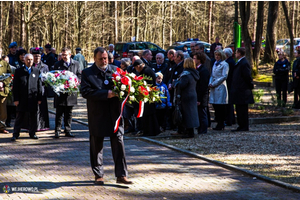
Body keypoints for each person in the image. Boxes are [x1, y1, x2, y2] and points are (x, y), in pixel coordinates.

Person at [80, 47, 133, 185]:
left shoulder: (116, 70)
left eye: (105, 58)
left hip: (115, 114)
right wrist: (105, 94)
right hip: (97, 114)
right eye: (100, 59)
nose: (104, 61)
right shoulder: (87, 73)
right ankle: (98, 175)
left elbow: (125, 87)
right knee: (96, 145)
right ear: (94, 58)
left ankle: (121, 175)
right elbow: (85, 92)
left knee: (119, 144)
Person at [11, 54, 42, 141]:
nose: (30, 61)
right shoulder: (19, 71)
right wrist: (16, 99)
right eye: (28, 60)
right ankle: (16, 134)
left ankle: (32, 133)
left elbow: (39, 85)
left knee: (33, 116)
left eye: (31, 60)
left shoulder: (36, 71)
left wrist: (39, 98)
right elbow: (15, 86)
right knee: (20, 117)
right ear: (24, 60)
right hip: (22, 98)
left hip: (33, 98)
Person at [53, 47, 81, 138]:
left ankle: (67, 130)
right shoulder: (57, 64)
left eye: (65, 54)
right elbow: (55, 76)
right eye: (62, 54)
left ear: (70, 54)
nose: (63, 56)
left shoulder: (76, 64)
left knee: (69, 113)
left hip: (71, 93)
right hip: (60, 93)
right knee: (59, 113)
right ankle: (57, 131)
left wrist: (76, 82)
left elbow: (79, 75)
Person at [172, 58, 200, 138]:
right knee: (191, 114)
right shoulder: (194, 73)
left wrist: (175, 83)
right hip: (192, 95)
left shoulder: (186, 74)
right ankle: (188, 131)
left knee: (187, 115)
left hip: (186, 97)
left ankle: (188, 132)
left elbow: (182, 85)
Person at [133, 59, 160, 136]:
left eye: (136, 68)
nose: (136, 70)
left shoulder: (146, 71)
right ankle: (150, 130)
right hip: (148, 95)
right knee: (148, 114)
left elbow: (147, 84)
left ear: (138, 66)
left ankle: (150, 131)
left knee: (148, 114)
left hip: (147, 95)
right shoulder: (147, 69)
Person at [230, 48, 254, 132]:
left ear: (239, 53)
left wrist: (250, 86)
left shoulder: (244, 63)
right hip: (238, 90)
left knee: (242, 110)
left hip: (242, 90)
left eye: (236, 53)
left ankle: (244, 125)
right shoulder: (240, 62)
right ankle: (241, 125)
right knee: (239, 109)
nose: (235, 54)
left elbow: (247, 76)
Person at [209, 49, 229, 131]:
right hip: (214, 86)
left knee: (220, 106)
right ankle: (218, 122)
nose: (217, 57)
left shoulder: (225, 64)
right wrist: (210, 83)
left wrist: (214, 83)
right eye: (216, 55)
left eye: (218, 55)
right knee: (215, 105)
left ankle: (221, 123)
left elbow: (224, 76)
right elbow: (212, 75)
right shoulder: (215, 64)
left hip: (220, 86)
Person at [32, 48, 50, 131]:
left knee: (41, 109)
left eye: (38, 56)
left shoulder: (45, 66)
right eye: (35, 56)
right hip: (31, 90)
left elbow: (48, 79)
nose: (37, 58)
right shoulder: (30, 65)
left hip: (42, 90)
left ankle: (42, 125)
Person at [194, 52, 210, 134]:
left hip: (202, 96)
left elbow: (203, 86)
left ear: (199, 60)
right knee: (199, 113)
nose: (193, 60)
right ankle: (200, 128)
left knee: (202, 113)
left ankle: (203, 129)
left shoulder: (203, 71)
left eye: (194, 58)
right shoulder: (198, 69)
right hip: (198, 95)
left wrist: (199, 99)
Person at [0, 48, 12, 134]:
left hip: (2, 90)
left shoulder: (4, 64)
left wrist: (3, 83)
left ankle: (1, 127)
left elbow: (9, 75)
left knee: (3, 111)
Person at [2, 55, 16, 128]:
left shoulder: (13, 69)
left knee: (10, 107)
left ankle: (8, 122)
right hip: (2, 90)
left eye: (7, 61)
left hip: (10, 90)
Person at [224, 48, 236, 126]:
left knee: (229, 103)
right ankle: (231, 119)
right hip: (230, 83)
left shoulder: (229, 62)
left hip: (229, 83)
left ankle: (230, 120)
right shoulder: (231, 61)